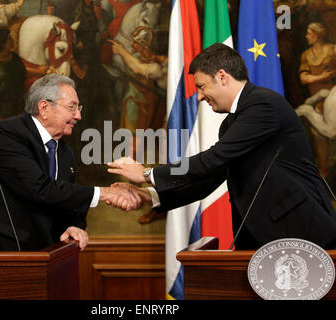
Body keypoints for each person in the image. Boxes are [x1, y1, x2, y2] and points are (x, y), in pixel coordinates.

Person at [108, 43, 336, 250]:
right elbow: (209, 178)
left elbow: (213, 159)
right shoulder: (230, 123)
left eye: (202, 86)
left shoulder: (262, 104)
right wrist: (150, 196)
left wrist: (149, 173)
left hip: (300, 233)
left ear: (222, 76)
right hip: (261, 238)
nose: (199, 96)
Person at [0, 74, 141, 251]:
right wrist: (105, 193)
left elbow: (67, 201)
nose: (78, 116)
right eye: (72, 107)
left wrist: (73, 225)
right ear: (44, 108)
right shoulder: (9, 134)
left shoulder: (66, 153)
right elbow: (39, 188)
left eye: (78, 108)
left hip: (45, 255)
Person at [299, 22, 335, 177]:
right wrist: (321, 77)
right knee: (319, 140)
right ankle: (323, 175)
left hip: (332, 99)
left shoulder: (332, 49)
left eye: (309, 33)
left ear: (317, 34)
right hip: (317, 102)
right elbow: (304, 78)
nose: (306, 36)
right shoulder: (306, 55)